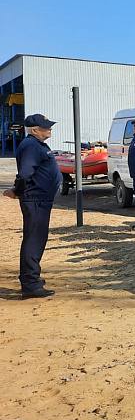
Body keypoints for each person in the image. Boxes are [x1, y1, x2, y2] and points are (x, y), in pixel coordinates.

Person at [3, 114, 62, 299]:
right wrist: (17, 190)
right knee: (34, 240)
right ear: (35, 130)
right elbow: (26, 173)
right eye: (46, 126)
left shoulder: (36, 145)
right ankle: (30, 284)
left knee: (37, 238)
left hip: (40, 199)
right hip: (35, 199)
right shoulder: (31, 145)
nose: (50, 129)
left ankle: (32, 281)